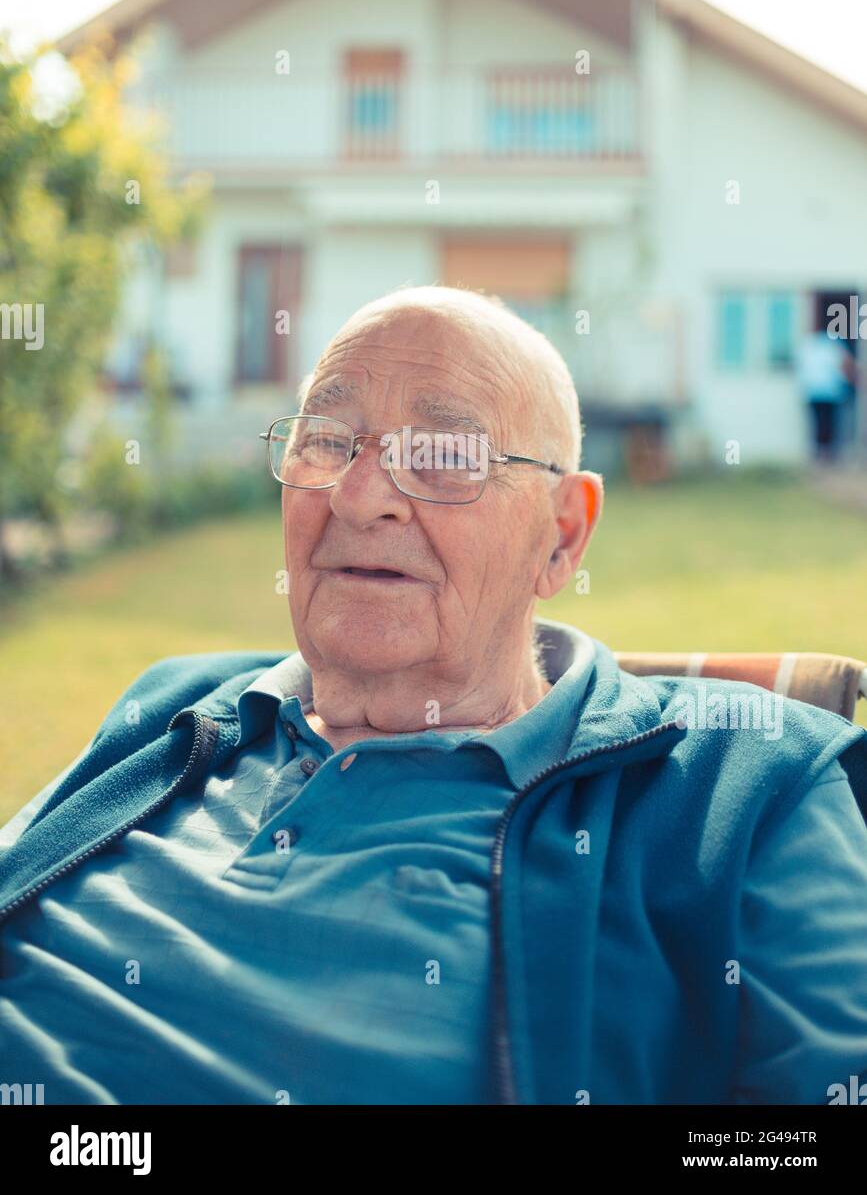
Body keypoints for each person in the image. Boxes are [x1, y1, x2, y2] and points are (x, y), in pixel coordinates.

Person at [1, 284, 867, 1106]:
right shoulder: (177, 707)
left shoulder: (747, 786)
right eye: (328, 440)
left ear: (561, 538)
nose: (357, 495)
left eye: (445, 455)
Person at [796, 326, 856, 462]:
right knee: (828, 424)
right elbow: (846, 365)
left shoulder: (808, 345)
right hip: (829, 392)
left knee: (818, 423)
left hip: (814, 391)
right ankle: (826, 454)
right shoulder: (834, 345)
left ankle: (820, 453)